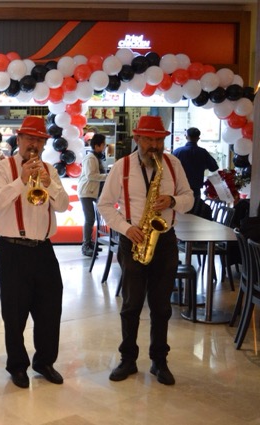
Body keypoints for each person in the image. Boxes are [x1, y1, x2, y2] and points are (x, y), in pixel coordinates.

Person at [97, 115, 194, 386]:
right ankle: (127, 359)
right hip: (133, 239)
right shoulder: (122, 166)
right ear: (137, 138)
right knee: (131, 304)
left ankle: (159, 361)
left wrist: (173, 200)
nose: (155, 145)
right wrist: (126, 228)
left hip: (165, 240)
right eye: (149, 139)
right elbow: (104, 205)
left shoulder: (173, 164)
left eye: (159, 140)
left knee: (161, 306)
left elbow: (189, 198)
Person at [0, 116, 69, 388]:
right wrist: (21, 181)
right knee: (14, 313)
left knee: (50, 310)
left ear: (44, 144)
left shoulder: (50, 170)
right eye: (29, 138)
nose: (33, 144)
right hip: (13, 250)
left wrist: (49, 184)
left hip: (44, 249)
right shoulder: (2, 168)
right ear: (19, 140)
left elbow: (62, 206)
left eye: (39, 140)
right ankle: (17, 365)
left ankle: (44, 362)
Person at [172, 127, 218, 219]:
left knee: (179, 215)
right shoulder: (203, 152)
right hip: (195, 190)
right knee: (194, 215)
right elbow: (214, 167)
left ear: (186, 137)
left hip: (179, 189)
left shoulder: (178, 152)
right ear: (198, 138)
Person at [78, 133, 107, 257]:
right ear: (97, 146)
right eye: (103, 145)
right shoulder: (91, 158)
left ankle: (89, 243)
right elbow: (91, 175)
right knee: (89, 219)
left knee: (92, 219)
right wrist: (108, 176)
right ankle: (85, 246)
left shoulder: (95, 157)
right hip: (87, 192)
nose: (105, 147)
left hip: (91, 192)